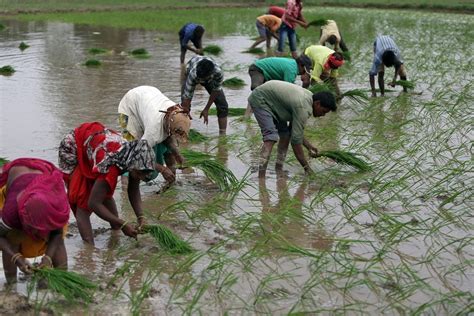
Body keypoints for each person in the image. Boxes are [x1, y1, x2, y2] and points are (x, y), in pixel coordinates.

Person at [58, 122, 156, 245]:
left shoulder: (134, 157)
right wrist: (123, 224)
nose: (141, 177)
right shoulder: (111, 166)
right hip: (74, 148)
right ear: (133, 165)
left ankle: (115, 232)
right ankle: (89, 250)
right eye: (140, 173)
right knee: (82, 201)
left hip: (95, 145)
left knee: (102, 191)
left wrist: (141, 217)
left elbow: (133, 190)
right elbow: (93, 203)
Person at [0, 158, 70, 283]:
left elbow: (57, 233)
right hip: (18, 178)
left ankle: (62, 281)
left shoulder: (55, 208)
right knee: (12, 237)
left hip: (45, 178)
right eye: (31, 228)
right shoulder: (11, 212)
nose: (35, 234)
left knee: (58, 243)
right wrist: (16, 257)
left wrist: (47, 258)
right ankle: (11, 286)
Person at [248, 80, 336, 177]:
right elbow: (296, 142)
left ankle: (278, 168)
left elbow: (295, 131)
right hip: (261, 99)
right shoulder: (303, 108)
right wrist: (307, 168)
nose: (322, 115)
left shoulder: (309, 99)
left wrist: (309, 146)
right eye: (323, 111)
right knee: (270, 137)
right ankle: (261, 177)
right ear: (318, 103)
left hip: (275, 102)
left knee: (285, 136)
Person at [118, 85, 191, 185]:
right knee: (131, 152)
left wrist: (177, 153)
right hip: (129, 108)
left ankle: (171, 184)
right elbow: (138, 155)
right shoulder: (153, 131)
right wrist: (162, 169)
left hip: (147, 97)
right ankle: (125, 188)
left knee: (169, 150)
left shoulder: (176, 112)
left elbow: (169, 136)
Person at [245, 55, 313, 117]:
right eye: (305, 70)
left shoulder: (293, 65)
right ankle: (247, 115)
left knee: (262, 95)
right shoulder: (292, 70)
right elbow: (287, 90)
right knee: (257, 90)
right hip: (258, 69)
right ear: (301, 65)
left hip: (266, 74)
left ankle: (249, 115)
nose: (304, 72)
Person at [181, 56, 228, 134]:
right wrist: (186, 110)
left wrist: (206, 109)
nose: (201, 81)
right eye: (200, 78)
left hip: (209, 79)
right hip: (190, 71)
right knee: (184, 108)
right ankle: (184, 132)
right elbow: (187, 96)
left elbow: (216, 91)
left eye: (203, 79)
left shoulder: (218, 73)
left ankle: (222, 135)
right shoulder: (193, 74)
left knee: (222, 105)